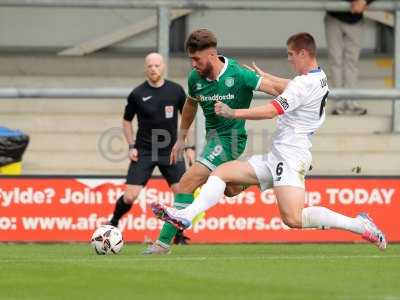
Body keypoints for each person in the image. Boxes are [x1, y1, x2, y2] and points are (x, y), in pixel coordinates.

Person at [152, 32, 387, 251]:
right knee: (222, 174)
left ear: (303, 54)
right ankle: (186, 215)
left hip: (292, 156)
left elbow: (271, 110)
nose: (289, 60)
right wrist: (263, 76)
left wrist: (234, 113)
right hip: (277, 155)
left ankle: (359, 225)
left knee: (293, 219)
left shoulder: (304, 85)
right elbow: (291, 86)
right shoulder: (318, 77)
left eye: (291, 55)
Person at [144, 28, 287, 254]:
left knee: (187, 182)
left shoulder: (239, 75)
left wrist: (299, 97)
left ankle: (162, 243)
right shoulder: (195, 78)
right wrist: (181, 137)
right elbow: (191, 104)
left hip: (231, 139)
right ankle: (257, 176)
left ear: (211, 55)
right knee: (229, 190)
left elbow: (278, 92)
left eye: (196, 59)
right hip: (212, 139)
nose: (193, 64)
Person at [107, 52, 195, 245]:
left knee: (182, 192)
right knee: (130, 196)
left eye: (157, 65)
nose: (153, 69)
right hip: (145, 150)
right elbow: (126, 121)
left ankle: (178, 234)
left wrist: (188, 146)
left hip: (170, 150)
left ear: (163, 66)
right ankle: (113, 222)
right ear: (145, 68)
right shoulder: (137, 94)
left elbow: (187, 120)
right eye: (150, 66)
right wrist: (131, 145)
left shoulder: (176, 90)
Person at [325, 0, 375, 115]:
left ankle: (352, 102)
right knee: (336, 61)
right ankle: (339, 103)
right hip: (334, 17)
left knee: (352, 63)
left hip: (356, 19)